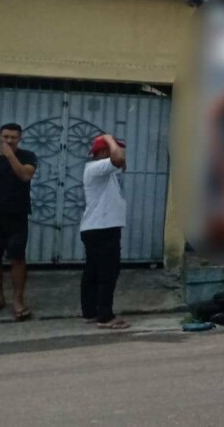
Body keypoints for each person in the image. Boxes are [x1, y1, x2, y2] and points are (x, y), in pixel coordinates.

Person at [81, 134, 130, 330]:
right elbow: (117, 159)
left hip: (97, 228)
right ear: (103, 152)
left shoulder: (102, 172)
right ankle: (105, 315)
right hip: (103, 229)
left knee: (93, 272)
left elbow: (118, 161)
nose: (121, 152)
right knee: (107, 273)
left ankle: (90, 311)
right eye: (113, 148)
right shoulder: (96, 168)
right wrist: (108, 138)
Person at [0, 123, 37, 322]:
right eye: (5, 137)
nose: (8, 141)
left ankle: (18, 300)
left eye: (13, 137)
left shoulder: (27, 156)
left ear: (20, 138)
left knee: (17, 258)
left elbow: (25, 175)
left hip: (17, 215)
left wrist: (9, 155)